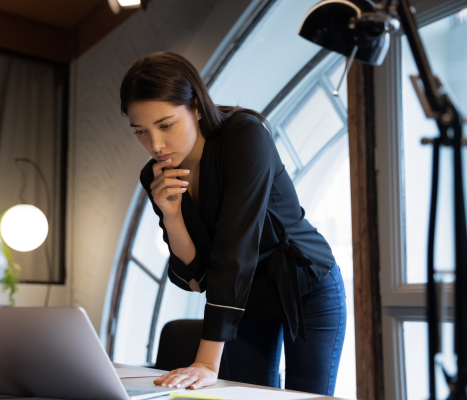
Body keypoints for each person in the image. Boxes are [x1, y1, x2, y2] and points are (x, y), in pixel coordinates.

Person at [119, 51, 346, 396]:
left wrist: (207, 362)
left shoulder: (244, 136)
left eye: (166, 125)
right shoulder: (155, 176)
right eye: (141, 132)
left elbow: (235, 248)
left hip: (306, 286)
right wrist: (172, 214)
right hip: (244, 298)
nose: (156, 145)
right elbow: (196, 279)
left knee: (306, 396)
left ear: (196, 106)